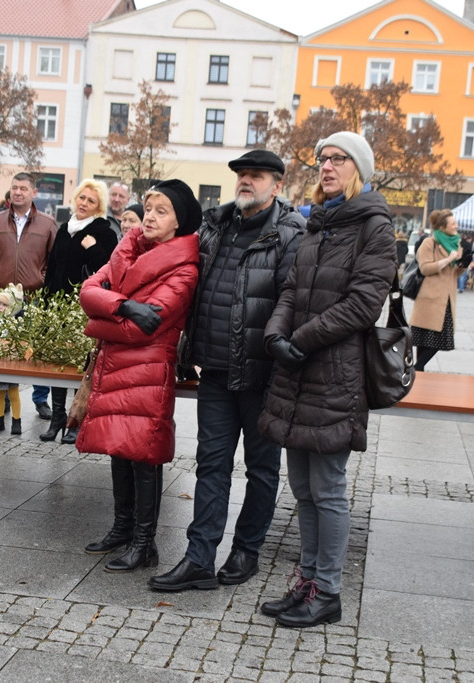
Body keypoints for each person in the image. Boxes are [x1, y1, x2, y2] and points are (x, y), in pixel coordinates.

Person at [148, 149, 304, 593]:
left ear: (276, 184)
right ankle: (199, 558)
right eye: (241, 175)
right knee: (210, 465)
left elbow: (291, 301)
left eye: (256, 176)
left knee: (261, 469)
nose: (245, 182)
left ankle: (246, 550)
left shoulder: (290, 234)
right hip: (214, 368)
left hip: (263, 374)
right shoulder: (215, 225)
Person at [257, 131, 396, 628]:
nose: (326, 166)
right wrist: (277, 332)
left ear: (358, 167)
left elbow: (364, 303)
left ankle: (328, 592)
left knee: (329, 486)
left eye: (337, 159)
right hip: (295, 366)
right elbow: (291, 288)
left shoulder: (374, 227)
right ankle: (307, 580)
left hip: (334, 370)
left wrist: (303, 339)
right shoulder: (319, 224)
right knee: (302, 487)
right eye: (321, 158)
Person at [76, 180, 200, 572]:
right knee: (117, 445)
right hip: (117, 365)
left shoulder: (184, 266)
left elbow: (143, 329)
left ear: (178, 223)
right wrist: (126, 306)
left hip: (148, 369)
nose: (149, 216)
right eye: (149, 207)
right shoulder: (126, 250)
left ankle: (145, 544)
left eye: (161, 211)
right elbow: (88, 290)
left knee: (144, 454)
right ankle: (123, 528)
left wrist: (104, 319)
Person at [40, 178, 118, 444]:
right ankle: (57, 416)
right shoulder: (65, 229)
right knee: (56, 362)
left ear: (98, 207)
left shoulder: (103, 231)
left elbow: (109, 268)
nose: (84, 203)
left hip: (82, 308)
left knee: (78, 363)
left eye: (91, 201)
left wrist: (93, 247)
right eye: (82, 198)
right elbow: (52, 267)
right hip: (56, 306)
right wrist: (45, 302)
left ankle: (76, 418)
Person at [0, 172, 58, 423]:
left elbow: (55, 260)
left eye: (23, 188)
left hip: (33, 298)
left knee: (35, 351)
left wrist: (41, 279)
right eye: (14, 188)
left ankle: (40, 400)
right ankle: (4, 398)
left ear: (34, 193)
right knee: (2, 349)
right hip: (0, 298)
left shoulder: (47, 224)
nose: (18, 192)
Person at [409, 210, 467, 372]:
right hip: (429, 299)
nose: (456, 226)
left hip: (447, 299)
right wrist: (449, 259)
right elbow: (425, 268)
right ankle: (417, 370)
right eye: (453, 223)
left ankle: (417, 371)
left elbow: (454, 273)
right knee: (427, 341)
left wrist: (463, 265)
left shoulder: (456, 244)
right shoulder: (429, 243)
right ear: (442, 227)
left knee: (437, 340)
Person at [0, 285, 24, 436]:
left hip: (11, 361)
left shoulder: (15, 323)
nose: (0, 307)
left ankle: (17, 421)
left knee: (13, 392)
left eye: (4, 305)